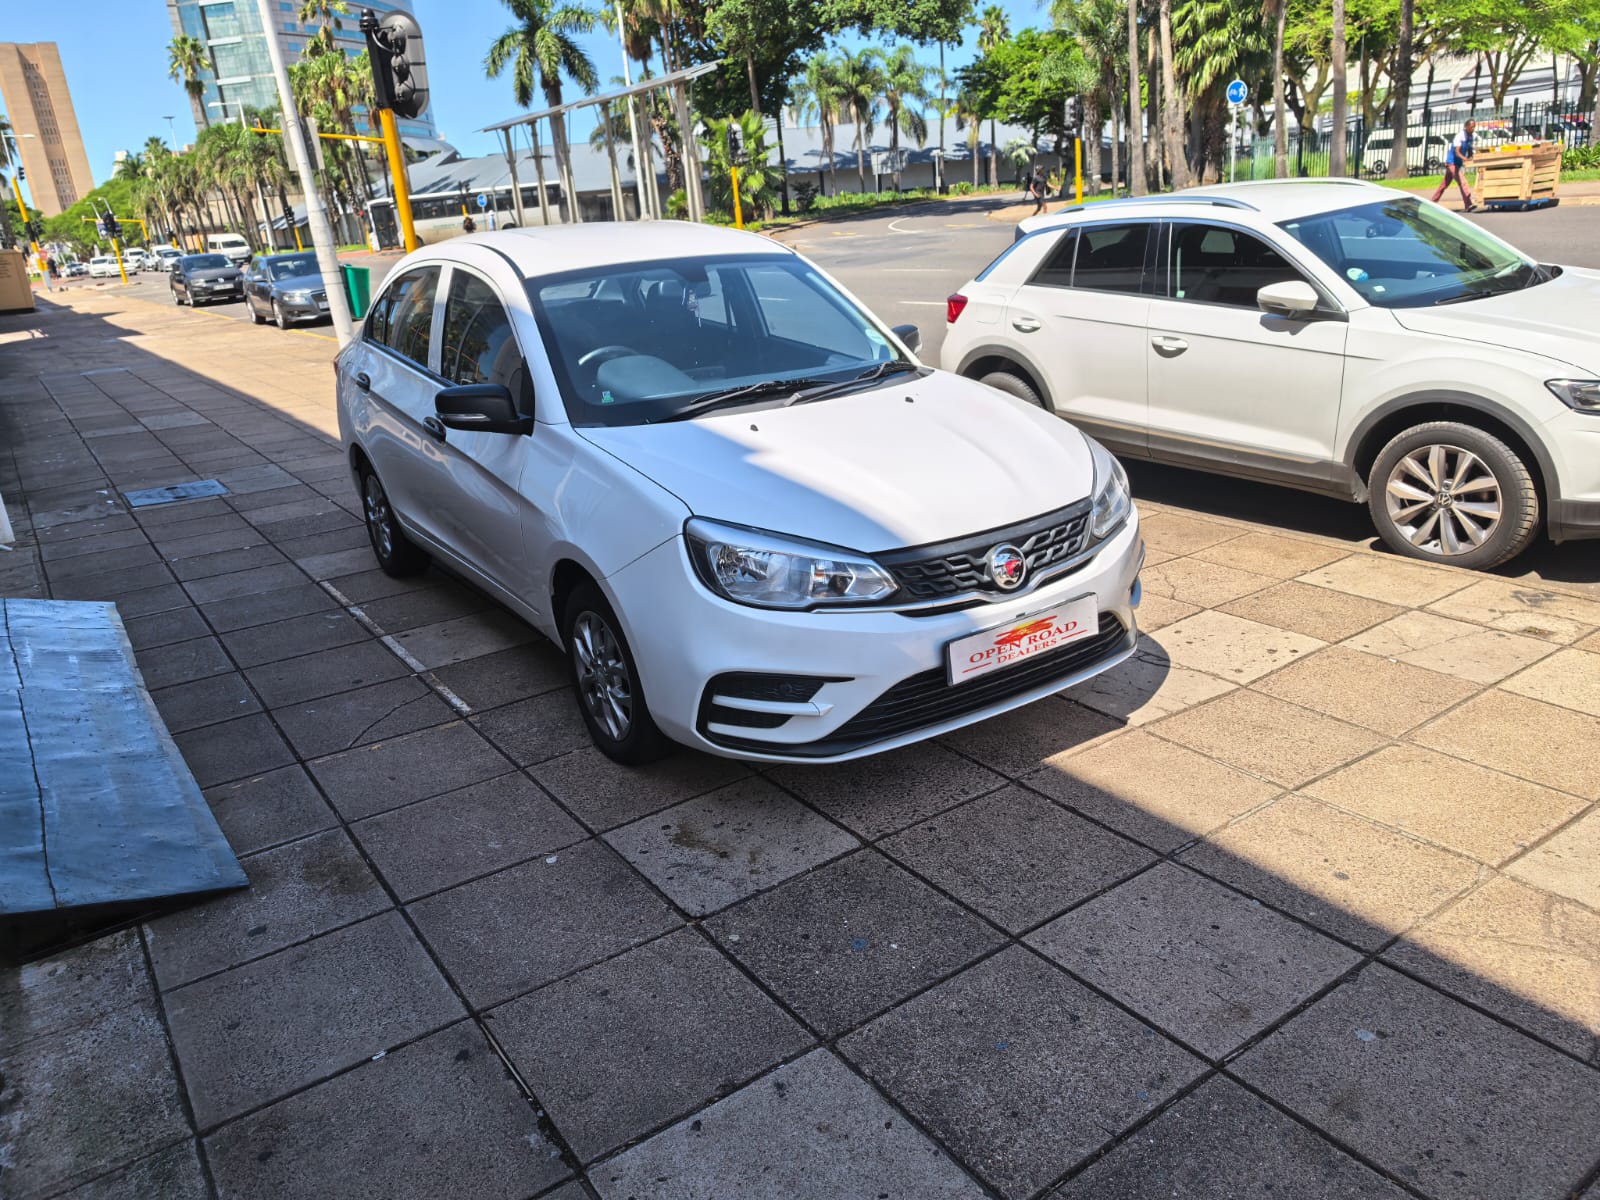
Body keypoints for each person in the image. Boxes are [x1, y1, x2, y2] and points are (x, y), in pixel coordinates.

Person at [1431, 120, 1477, 211]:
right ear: (1466, 126)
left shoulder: (1472, 136)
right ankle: (1468, 204)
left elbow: (1470, 149)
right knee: (1463, 182)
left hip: (1458, 164)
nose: (1473, 129)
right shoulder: (1460, 136)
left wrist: (1471, 156)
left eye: (1474, 127)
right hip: (1452, 163)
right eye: (1471, 127)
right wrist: (1465, 159)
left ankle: (1432, 202)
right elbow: (1457, 152)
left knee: (1444, 185)